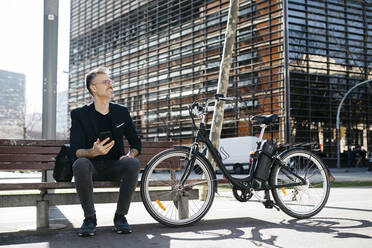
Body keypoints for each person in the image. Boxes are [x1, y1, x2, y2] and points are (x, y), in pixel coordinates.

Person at [70, 67, 141, 237]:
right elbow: (76, 151)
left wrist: (130, 155)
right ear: (93, 88)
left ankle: (120, 217)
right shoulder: (79, 114)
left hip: (115, 167)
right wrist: (92, 152)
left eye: (111, 81)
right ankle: (89, 219)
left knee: (132, 163)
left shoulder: (122, 112)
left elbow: (136, 143)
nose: (111, 85)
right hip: (90, 169)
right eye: (106, 82)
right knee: (80, 163)